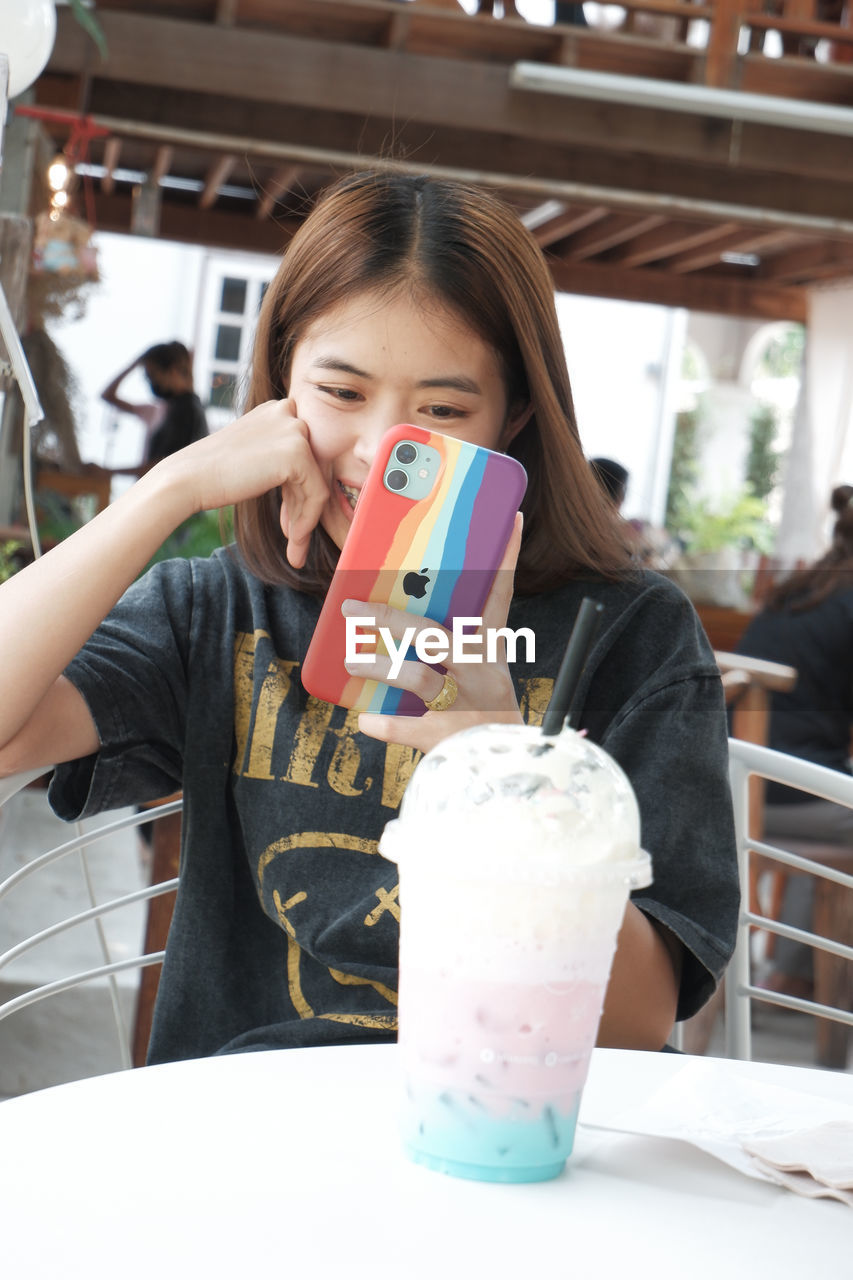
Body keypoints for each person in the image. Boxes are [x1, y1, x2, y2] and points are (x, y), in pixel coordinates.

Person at [0, 171, 738, 1064]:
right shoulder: (220, 608)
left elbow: (638, 1021)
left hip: (509, 1141)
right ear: (280, 390)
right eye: (341, 393)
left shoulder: (631, 636)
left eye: (440, 409)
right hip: (244, 1132)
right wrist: (168, 489)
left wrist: (495, 765)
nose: (381, 451)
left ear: (512, 420)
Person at [736, 483, 853, 997]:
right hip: (787, 792)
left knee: (832, 797)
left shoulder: (800, 590)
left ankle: (794, 973)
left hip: (735, 781)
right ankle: (813, 981)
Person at [101, 340, 208, 474]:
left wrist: (107, 471)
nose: (151, 383)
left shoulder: (186, 410)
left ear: (173, 370)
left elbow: (163, 465)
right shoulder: (166, 409)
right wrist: (136, 362)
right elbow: (107, 396)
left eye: (152, 376)